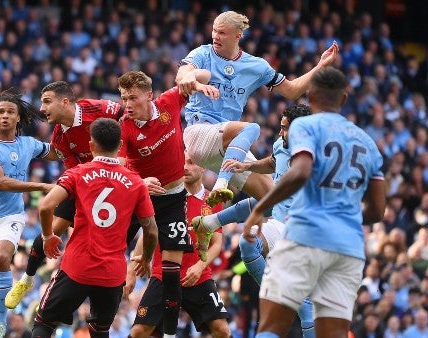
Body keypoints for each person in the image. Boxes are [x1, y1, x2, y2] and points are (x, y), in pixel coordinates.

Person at [240, 67, 386, 338]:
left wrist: (259, 209)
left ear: (312, 97)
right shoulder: (368, 143)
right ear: (343, 99)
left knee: (273, 325)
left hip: (306, 235)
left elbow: (301, 170)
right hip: (347, 248)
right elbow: (378, 210)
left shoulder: (306, 127)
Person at [176, 10, 339, 207]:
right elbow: (184, 74)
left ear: (238, 36)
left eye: (222, 33)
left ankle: (211, 222)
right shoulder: (202, 53)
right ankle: (221, 185)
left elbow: (292, 91)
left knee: (275, 201)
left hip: (229, 146)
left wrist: (320, 66)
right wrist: (187, 78)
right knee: (251, 128)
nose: (215, 36)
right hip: (199, 135)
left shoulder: (257, 66)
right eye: (214, 31)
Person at [192, 104, 316, 337]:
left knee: (306, 311)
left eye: (287, 129)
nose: (282, 133)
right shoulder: (282, 144)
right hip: (279, 223)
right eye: (281, 127)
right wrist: (248, 166)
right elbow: (273, 162)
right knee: (247, 241)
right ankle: (209, 223)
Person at [31, 118, 158, 338]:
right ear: (120, 146)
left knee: (44, 322)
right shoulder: (137, 183)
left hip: (77, 267)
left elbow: (45, 206)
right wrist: (145, 258)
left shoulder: (78, 174)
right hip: (112, 274)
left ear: (91, 145)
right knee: (100, 331)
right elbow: (152, 230)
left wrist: (48, 236)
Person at [5, 81, 124, 309]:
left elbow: (125, 115)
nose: (42, 108)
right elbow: (73, 171)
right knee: (51, 228)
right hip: (87, 184)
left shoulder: (97, 109)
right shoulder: (59, 137)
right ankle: (26, 279)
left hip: (117, 180)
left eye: (47, 101)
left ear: (66, 102)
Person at [117, 70, 214, 338]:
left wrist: (193, 78)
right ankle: (104, 315)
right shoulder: (123, 126)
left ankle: (170, 334)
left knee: (172, 274)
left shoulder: (169, 103)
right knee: (112, 252)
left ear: (149, 96)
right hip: (139, 197)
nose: (128, 105)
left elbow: (205, 74)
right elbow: (120, 168)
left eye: (133, 98)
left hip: (172, 199)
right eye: (124, 98)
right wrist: (139, 182)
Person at [0, 88, 58, 338]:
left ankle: (0, 324)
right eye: (0, 112)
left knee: (3, 258)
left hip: (11, 217)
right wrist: (41, 185)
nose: (5, 116)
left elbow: (57, 152)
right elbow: (1, 182)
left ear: (18, 118)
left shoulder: (28, 144)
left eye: (10, 112)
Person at [125, 152, 231, 338]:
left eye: (191, 163)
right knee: (139, 331)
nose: (185, 167)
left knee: (222, 330)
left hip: (198, 278)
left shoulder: (212, 200)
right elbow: (149, 234)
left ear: (203, 167)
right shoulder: (164, 196)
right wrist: (131, 271)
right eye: (182, 162)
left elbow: (217, 243)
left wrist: (200, 267)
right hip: (163, 275)